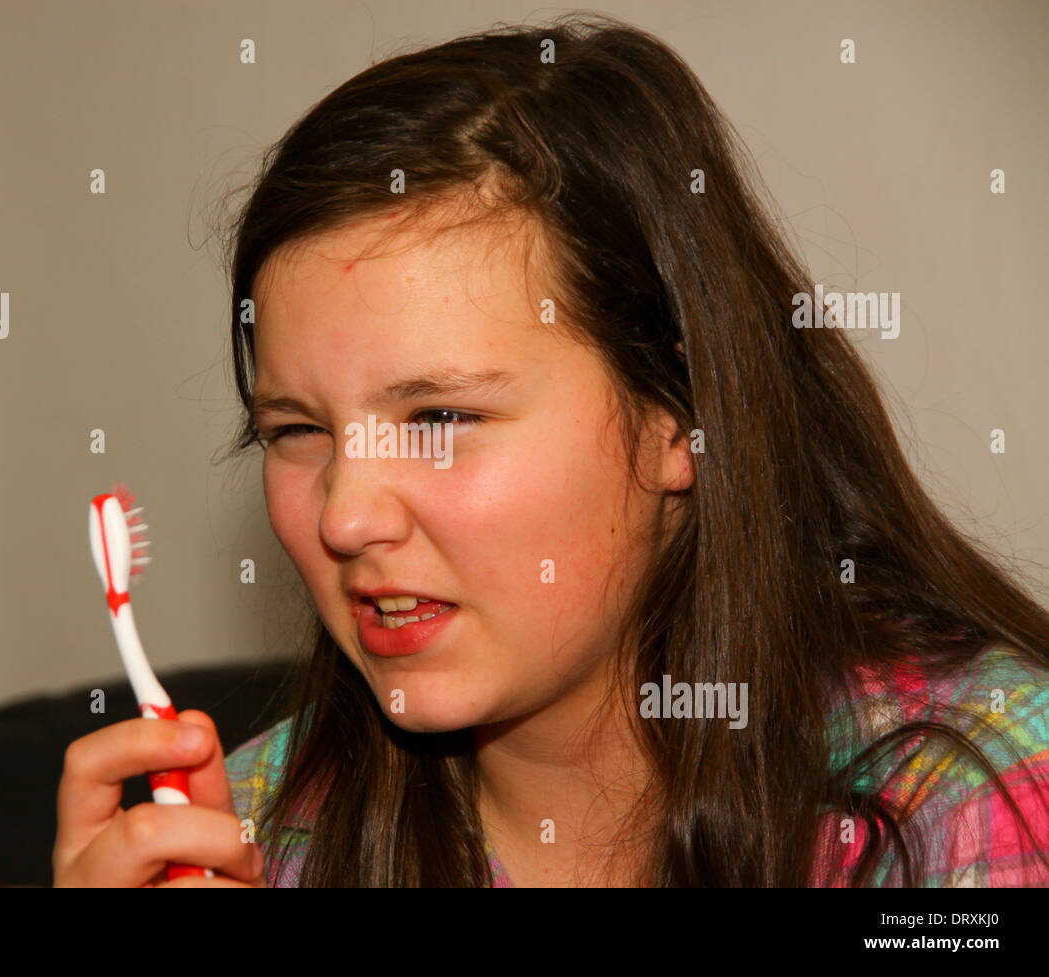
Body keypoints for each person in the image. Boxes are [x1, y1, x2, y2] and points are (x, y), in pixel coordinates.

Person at [52, 14, 1049, 887]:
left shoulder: (969, 794)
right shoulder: (252, 829)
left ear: (679, 414)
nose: (345, 514)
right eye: (298, 431)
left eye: (439, 418)